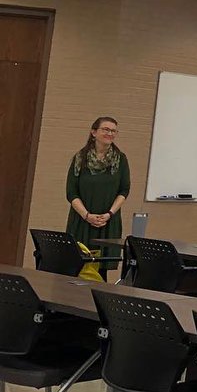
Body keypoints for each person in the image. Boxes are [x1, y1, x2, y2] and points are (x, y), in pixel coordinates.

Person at [65, 116, 130, 280]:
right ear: (93, 132)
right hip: (81, 220)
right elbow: (71, 192)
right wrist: (86, 215)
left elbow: (124, 190)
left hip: (108, 221)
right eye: (106, 129)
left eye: (113, 131)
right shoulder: (80, 158)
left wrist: (109, 214)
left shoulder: (121, 159)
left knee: (101, 271)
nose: (110, 133)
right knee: (77, 269)